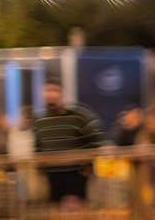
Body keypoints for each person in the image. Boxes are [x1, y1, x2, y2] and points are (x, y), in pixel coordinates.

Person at [32, 81, 103, 211]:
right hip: (52, 174)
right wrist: (40, 168)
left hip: (75, 172)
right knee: (56, 210)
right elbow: (37, 146)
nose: (51, 95)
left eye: (54, 90)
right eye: (47, 91)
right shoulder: (40, 121)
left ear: (62, 94)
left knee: (76, 209)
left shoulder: (79, 117)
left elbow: (95, 140)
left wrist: (89, 164)